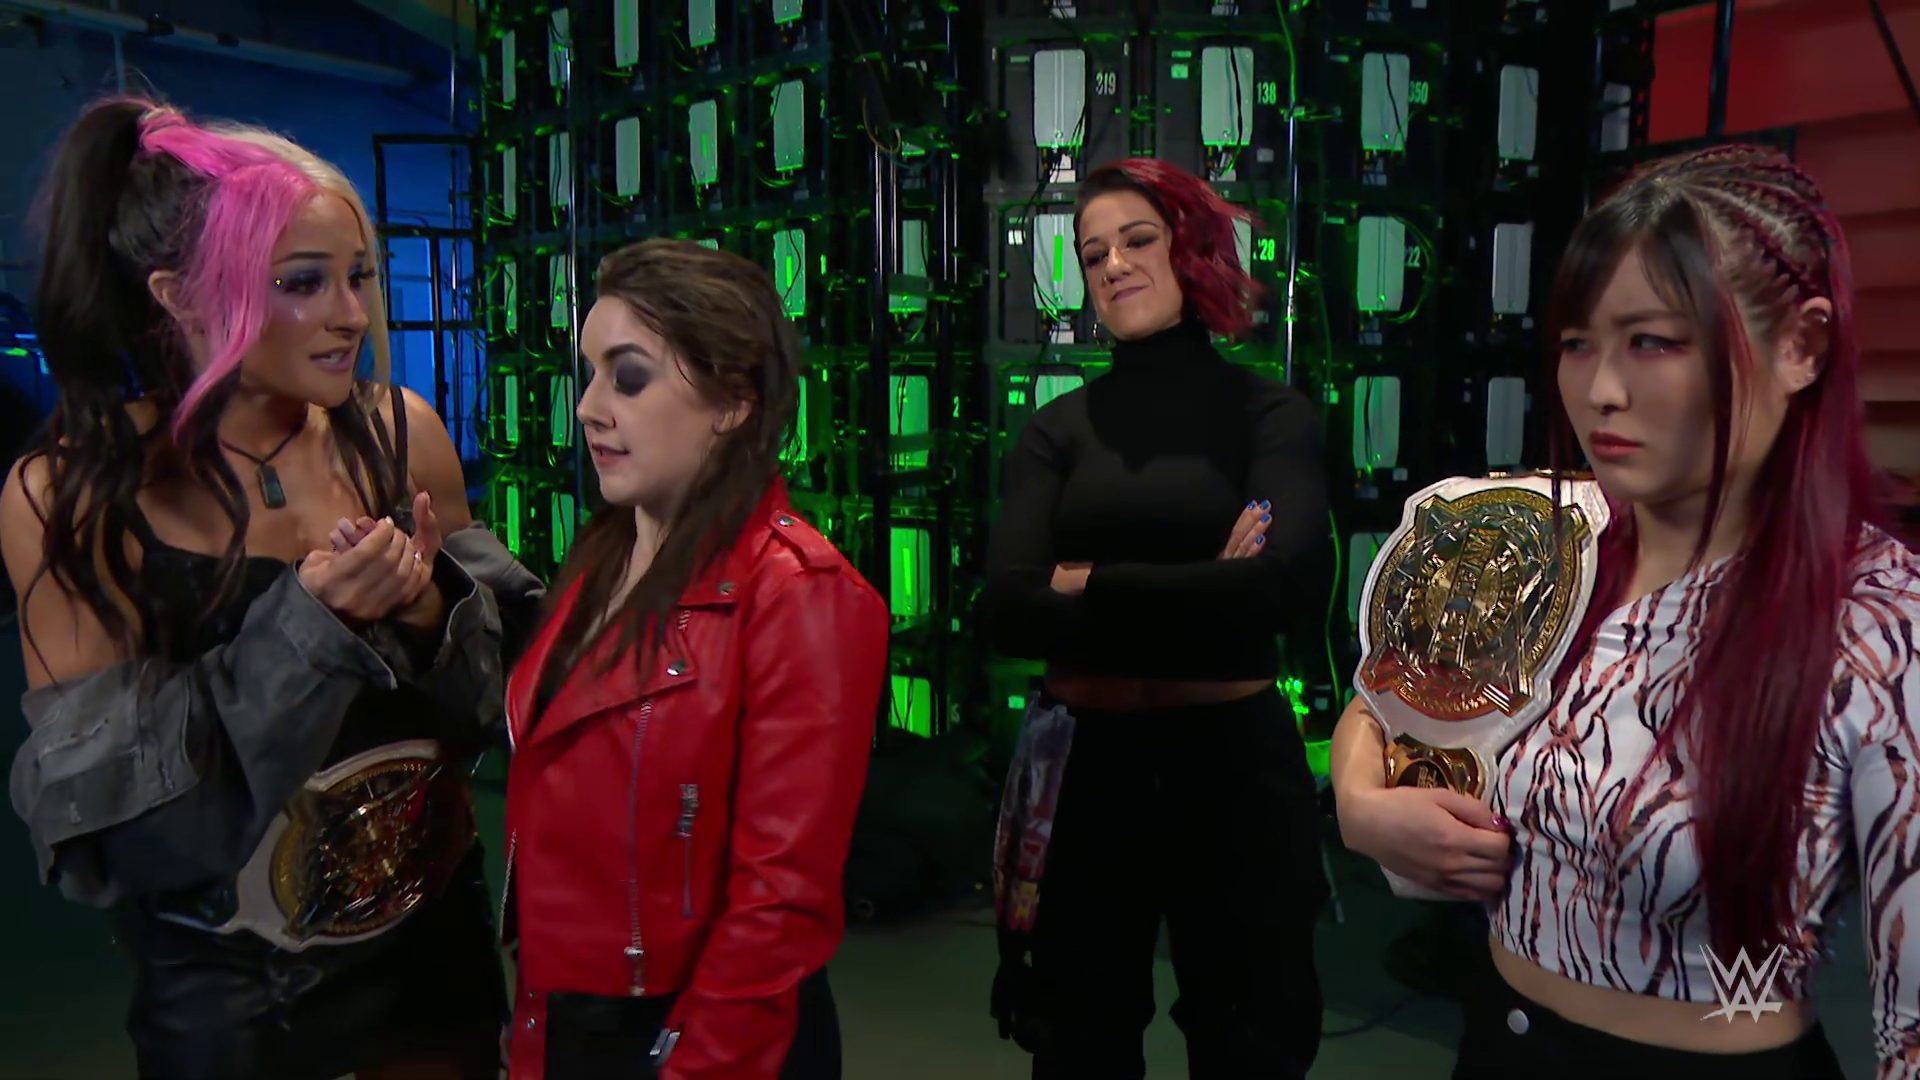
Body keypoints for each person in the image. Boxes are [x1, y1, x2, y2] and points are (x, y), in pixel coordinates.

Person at [1332, 145, 1920, 1079]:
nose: (1600, 390)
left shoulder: (1880, 624)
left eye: (1652, 342)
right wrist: (1360, 803)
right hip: (1500, 1046)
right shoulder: (1533, 537)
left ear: (1801, 347)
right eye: (1578, 343)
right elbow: (1385, 698)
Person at [3, 97, 541, 1079]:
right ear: (181, 296)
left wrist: (431, 609)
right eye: (303, 282)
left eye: (358, 276)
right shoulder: (72, 496)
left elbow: (509, 703)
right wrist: (311, 628)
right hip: (232, 989)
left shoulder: (401, 433)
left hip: (432, 949)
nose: (351, 315)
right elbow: (117, 826)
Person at [500, 238, 889, 1080]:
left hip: (703, 1036)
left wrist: (699, 1064)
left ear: (734, 401)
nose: (588, 408)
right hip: (568, 1018)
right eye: (590, 375)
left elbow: (780, 904)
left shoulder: (802, 596)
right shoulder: (600, 557)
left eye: (630, 378)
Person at [982, 157, 1332, 1080]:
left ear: (1193, 248)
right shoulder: (1055, 428)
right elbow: (1006, 609)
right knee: (1077, 1039)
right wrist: (1207, 586)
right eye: (1092, 252)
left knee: (1251, 1038)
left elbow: (1285, 589)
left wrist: (1081, 580)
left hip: (1233, 768)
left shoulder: (1271, 415)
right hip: (1086, 768)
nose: (1112, 265)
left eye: (1137, 239)